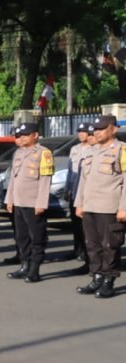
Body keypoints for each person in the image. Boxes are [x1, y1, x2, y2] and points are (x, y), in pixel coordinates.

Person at [74, 114, 125, 298]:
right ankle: (96, 277)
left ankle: (108, 281)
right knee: (92, 245)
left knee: (110, 245)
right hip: (89, 206)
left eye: (102, 129)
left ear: (114, 129)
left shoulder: (122, 150)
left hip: (109, 207)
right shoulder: (91, 151)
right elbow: (83, 181)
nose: (97, 132)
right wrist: (79, 203)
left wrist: (123, 207)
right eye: (95, 129)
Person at [4, 122, 54, 283]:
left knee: (36, 237)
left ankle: (34, 269)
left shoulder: (44, 153)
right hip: (19, 201)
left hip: (33, 202)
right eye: (21, 135)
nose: (23, 138)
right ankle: (24, 265)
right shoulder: (18, 152)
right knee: (22, 237)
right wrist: (10, 199)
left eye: (26, 135)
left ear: (35, 135)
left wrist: (41, 203)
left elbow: (45, 180)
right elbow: (13, 178)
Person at [65, 123, 94, 274]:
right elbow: (70, 171)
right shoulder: (74, 149)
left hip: (86, 191)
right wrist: (67, 189)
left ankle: (87, 253)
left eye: (85, 132)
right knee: (75, 224)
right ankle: (77, 249)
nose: (82, 134)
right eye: (80, 132)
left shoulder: (94, 149)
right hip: (74, 188)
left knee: (86, 227)